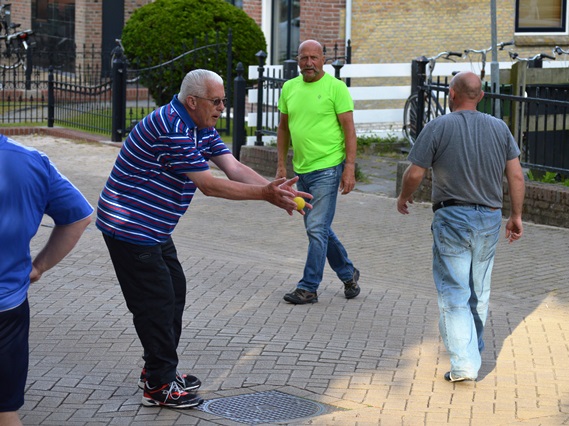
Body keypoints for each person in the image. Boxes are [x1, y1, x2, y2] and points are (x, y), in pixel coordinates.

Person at [96, 69, 311, 409]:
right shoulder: (173, 127)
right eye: (216, 101)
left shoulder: (200, 127)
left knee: (174, 291)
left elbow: (234, 167)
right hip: (130, 226)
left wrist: (277, 191)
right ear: (193, 101)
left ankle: (157, 371)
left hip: (153, 227)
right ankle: (159, 386)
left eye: (224, 100)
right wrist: (265, 195)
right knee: (157, 302)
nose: (222, 107)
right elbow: (209, 185)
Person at [396, 71, 525, 382]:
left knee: (454, 292)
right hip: (490, 218)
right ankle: (472, 354)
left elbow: (415, 173)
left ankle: (465, 364)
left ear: (451, 94)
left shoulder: (438, 126)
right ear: (480, 96)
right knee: (479, 291)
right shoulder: (499, 128)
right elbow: (516, 175)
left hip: (453, 217)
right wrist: (516, 215)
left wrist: (403, 196)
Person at [0, 135, 93, 426]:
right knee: (4, 412)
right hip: (7, 306)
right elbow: (79, 218)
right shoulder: (31, 161)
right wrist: (39, 266)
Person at [276, 39, 361, 305]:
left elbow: (349, 130)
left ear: (323, 59)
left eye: (314, 57)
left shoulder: (336, 88)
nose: (309, 63)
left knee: (315, 228)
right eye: (304, 58)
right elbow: (283, 128)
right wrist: (281, 165)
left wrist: (349, 167)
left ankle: (308, 287)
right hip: (301, 170)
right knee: (320, 228)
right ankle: (348, 274)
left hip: (328, 168)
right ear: (298, 60)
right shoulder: (289, 88)